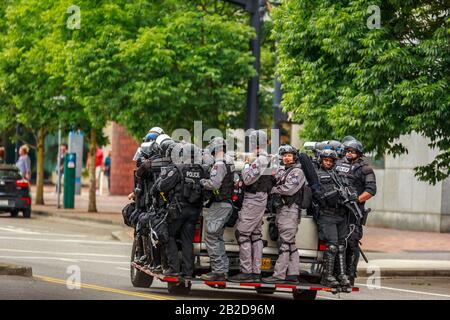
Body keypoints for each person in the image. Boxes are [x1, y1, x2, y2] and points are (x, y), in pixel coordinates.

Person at [156, 143, 207, 279]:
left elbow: (162, 186)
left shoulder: (178, 168)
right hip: (194, 211)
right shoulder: (203, 170)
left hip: (178, 210)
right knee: (187, 241)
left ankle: (173, 269)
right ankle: (188, 272)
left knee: (169, 235)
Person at [229, 130, 273, 283]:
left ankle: (247, 271)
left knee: (242, 234)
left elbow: (247, 179)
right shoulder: (266, 158)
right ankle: (255, 272)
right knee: (255, 236)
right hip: (259, 198)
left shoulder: (259, 159)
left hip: (254, 199)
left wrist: (247, 163)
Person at [335, 139, 377, 285]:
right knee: (337, 243)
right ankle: (337, 274)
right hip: (338, 210)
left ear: (358, 154)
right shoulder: (338, 164)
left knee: (352, 243)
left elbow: (371, 191)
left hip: (354, 211)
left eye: (352, 151)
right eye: (347, 151)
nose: (349, 154)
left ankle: (350, 275)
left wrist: (357, 199)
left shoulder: (365, 169)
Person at [262, 145, 305, 284]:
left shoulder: (297, 171)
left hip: (290, 210)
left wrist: (273, 189)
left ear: (294, 157)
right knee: (290, 244)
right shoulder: (286, 170)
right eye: (284, 155)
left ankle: (279, 275)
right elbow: (275, 174)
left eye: (289, 155)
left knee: (284, 244)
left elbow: (289, 189)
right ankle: (293, 275)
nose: (286, 158)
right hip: (284, 210)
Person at [199, 137, 235, 281]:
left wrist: (201, 181)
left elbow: (214, 184)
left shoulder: (219, 164)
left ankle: (218, 272)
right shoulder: (229, 162)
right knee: (218, 237)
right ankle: (222, 271)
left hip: (219, 205)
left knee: (211, 237)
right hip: (226, 204)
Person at [315, 149, 351, 289]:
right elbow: (317, 194)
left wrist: (351, 196)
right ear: (321, 160)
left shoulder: (340, 176)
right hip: (327, 214)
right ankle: (327, 276)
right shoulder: (317, 175)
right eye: (326, 160)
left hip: (340, 214)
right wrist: (332, 195)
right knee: (332, 246)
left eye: (330, 161)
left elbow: (350, 189)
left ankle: (341, 274)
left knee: (341, 246)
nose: (328, 163)